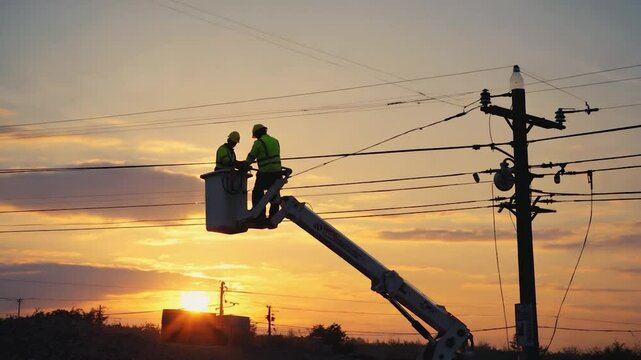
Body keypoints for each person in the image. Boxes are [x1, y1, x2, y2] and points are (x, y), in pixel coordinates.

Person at [246, 124, 282, 223]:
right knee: (274, 194)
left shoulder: (258, 143)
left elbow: (250, 158)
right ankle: (273, 216)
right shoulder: (275, 141)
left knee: (257, 193)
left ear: (257, 133)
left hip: (266, 173)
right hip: (277, 173)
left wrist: (244, 166)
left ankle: (259, 215)